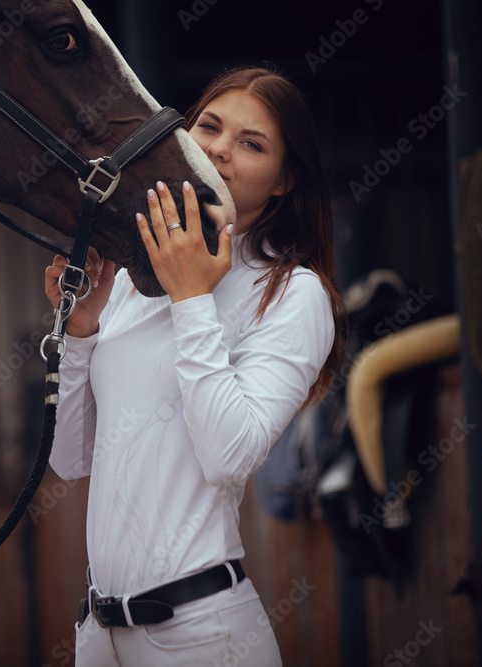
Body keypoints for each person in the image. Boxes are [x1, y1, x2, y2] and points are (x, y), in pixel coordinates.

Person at [44, 65, 345, 666]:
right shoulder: (131, 279)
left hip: (201, 637)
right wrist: (78, 333)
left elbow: (229, 455)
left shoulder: (293, 294)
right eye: (208, 126)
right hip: (96, 636)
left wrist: (191, 299)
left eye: (251, 144)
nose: (218, 150)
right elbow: (68, 459)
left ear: (285, 180)